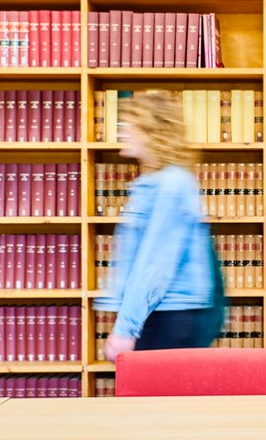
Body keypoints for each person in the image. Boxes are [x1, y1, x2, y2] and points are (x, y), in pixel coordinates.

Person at [94, 92, 225, 363]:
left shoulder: (171, 184)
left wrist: (125, 328)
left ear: (152, 131)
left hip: (172, 317)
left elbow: (156, 262)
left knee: (158, 403)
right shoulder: (154, 182)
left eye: (130, 124)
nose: (122, 131)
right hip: (160, 313)